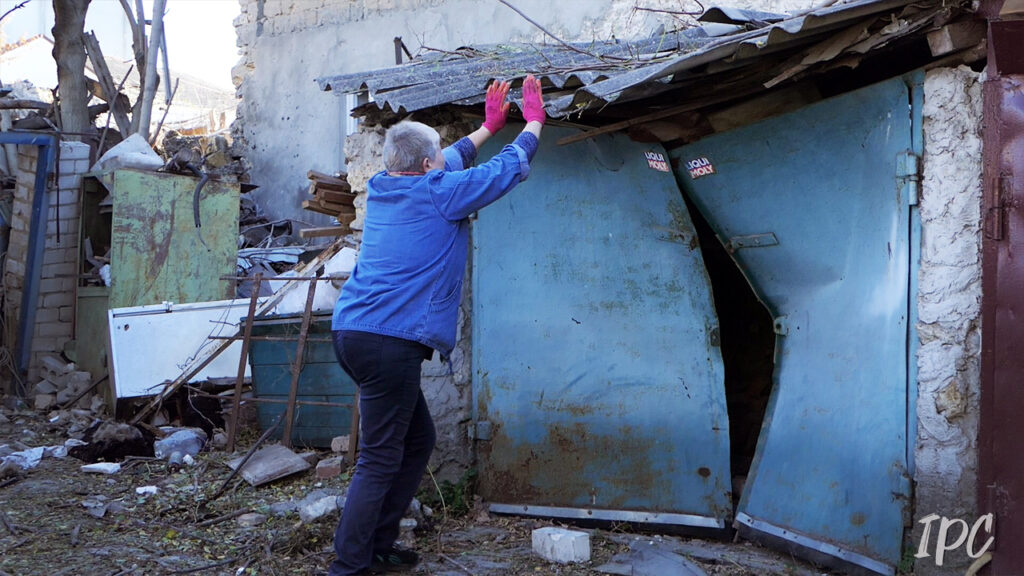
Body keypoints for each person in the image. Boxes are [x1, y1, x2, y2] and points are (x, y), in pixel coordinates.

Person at [328, 75, 546, 576]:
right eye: (437, 159)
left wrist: (489, 126)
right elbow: (506, 169)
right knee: (380, 458)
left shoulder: (384, 186)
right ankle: (349, 565)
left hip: (354, 333)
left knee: (417, 438)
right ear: (428, 166)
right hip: (387, 341)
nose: (442, 163)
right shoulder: (440, 193)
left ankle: (377, 545)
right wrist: (531, 123)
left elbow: (445, 161)